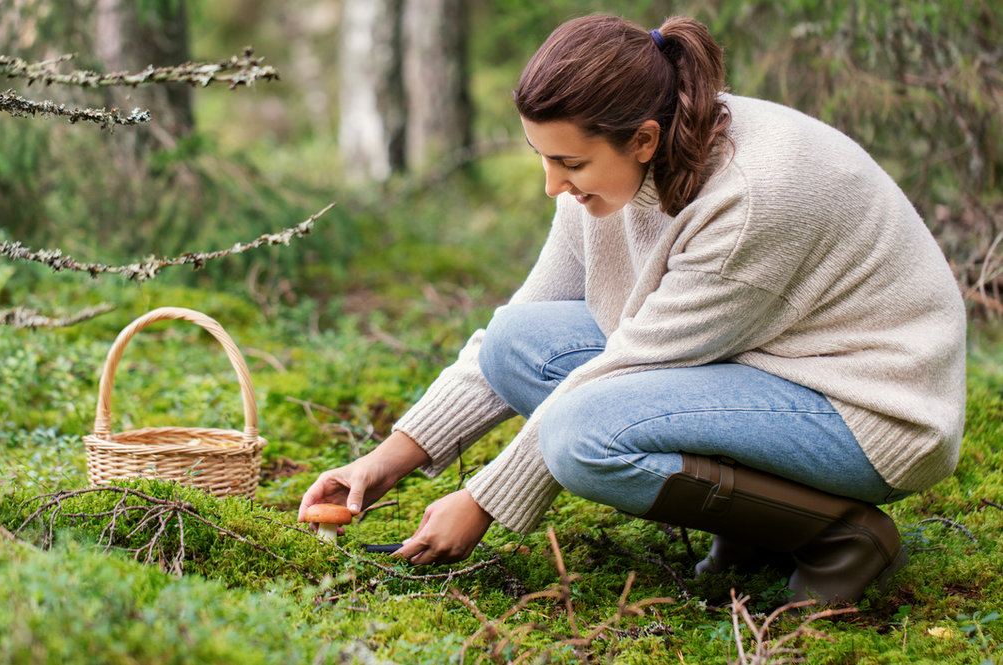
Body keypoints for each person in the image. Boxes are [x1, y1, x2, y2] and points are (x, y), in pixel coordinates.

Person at [299, 14, 966, 604]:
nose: (552, 185)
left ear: (644, 141)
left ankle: (841, 536)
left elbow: (624, 371)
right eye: (543, 158)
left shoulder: (748, 201)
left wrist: (482, 501)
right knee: (516, 342)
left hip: (868, 410)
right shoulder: (615, 161)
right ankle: (758, 528)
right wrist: (388, 459)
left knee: (582, 435)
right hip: (760, 364)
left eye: (569, 162)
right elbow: (528, 316)